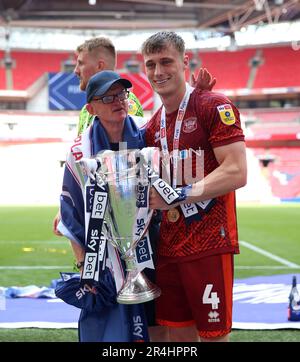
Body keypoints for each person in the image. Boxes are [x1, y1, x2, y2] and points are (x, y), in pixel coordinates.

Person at [141, 31, 247, 342]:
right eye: (150, 64)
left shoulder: (213, 105)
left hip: (209, 245)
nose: (158, 72)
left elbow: (237, 171)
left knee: (213, 336)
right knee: (177, 337)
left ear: (185, 61)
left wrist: (177, 195)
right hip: (169, 247)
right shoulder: (152, 127)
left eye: (166, 62)